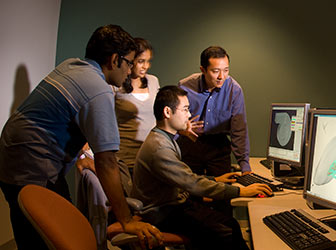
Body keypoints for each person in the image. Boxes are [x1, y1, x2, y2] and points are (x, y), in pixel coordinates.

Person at [0, 24, 162, 250]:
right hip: (30, 164)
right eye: (129, 62)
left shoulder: (72, 65)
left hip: (12, 155)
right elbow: (107, 162)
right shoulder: (97, 89)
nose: (130, 70)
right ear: (115, 59)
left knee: (37, 226)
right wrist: (125, 220)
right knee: (46, 235)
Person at [131, 85, 272, 250]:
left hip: (172, 205)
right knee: (227, 231)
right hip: (162, 213)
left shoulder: (163, 138)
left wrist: (215, 179)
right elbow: (192, 183)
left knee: (230, 223)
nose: (189, 115)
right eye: (185, 109)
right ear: (168, 112)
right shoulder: (159, 147)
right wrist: (242, 191)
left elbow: (183, 177)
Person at [177, 46, 251, 177]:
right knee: (191, 191)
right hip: (190, 141)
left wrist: (245, 166)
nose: (221, 76)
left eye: (226, 70)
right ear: (203, 70)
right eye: (215, 71)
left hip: (219, 145)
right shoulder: (185, 86)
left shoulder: (234, 90)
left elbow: (239, 130)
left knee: (223, 191)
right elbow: (173, 121)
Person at [112, 38, 160, 195]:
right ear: (131, 60)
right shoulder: (116, 85)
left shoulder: (153, 81)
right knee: (129, 203)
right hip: (126, 158)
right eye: (141, 61)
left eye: (148, 61)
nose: (145, 66)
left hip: (150, 156)